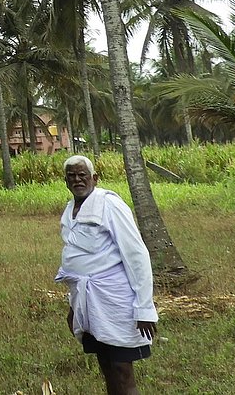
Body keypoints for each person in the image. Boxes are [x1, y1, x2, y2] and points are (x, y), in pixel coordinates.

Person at [55, 155, 158, 395]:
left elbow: (136, 254)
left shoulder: (109, 204)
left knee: (122, 370)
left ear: (94, 178)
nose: (77, 180)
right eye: (72, 176)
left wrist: (144, 308)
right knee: (106, 365)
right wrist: (74, 308)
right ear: (66, 181)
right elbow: (78, 264)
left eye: (82, 175)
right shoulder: (71, 209)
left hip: (116, 301)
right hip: (88, 301)